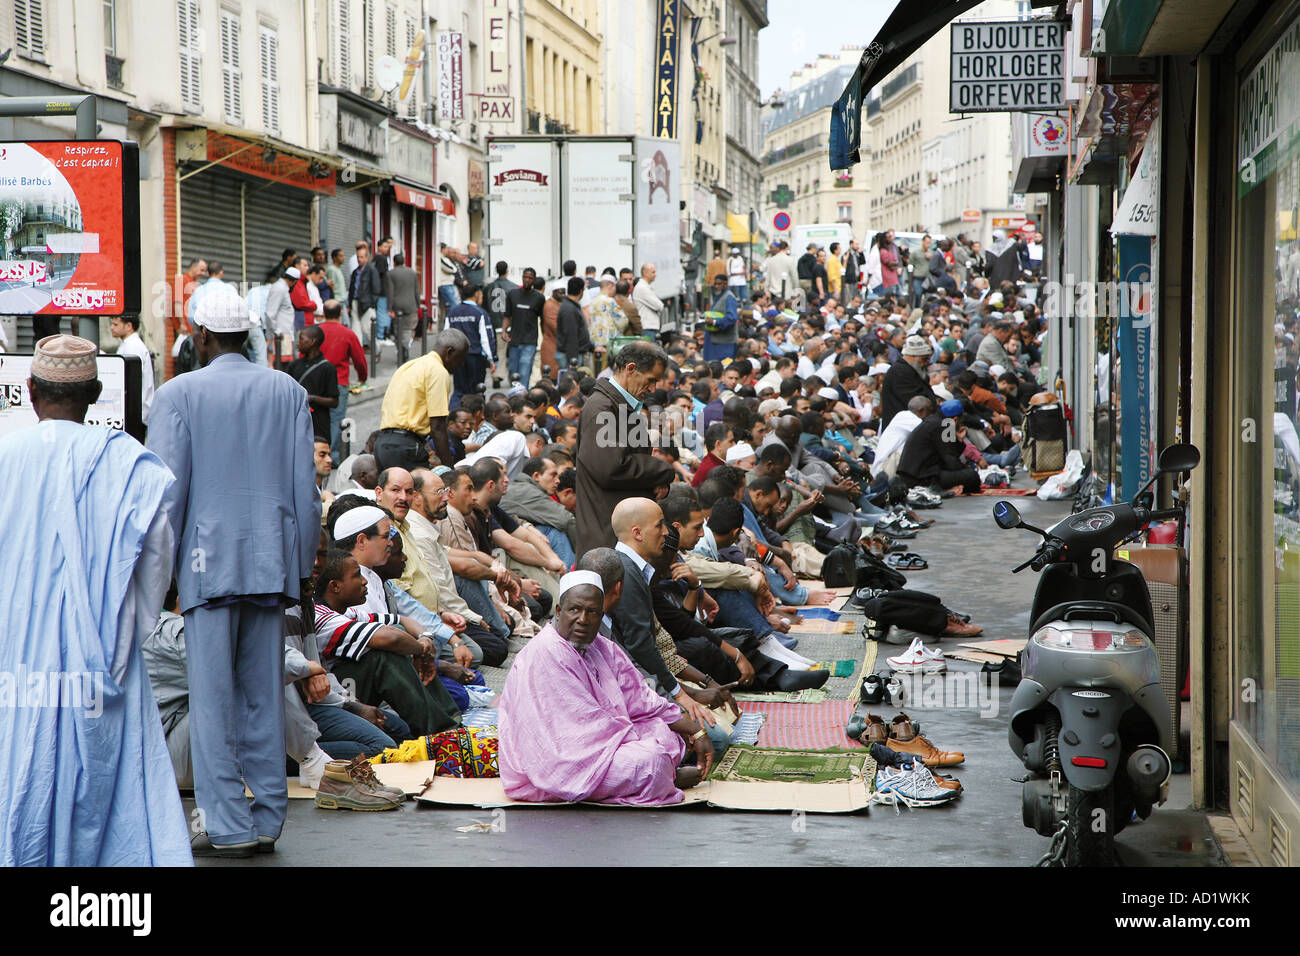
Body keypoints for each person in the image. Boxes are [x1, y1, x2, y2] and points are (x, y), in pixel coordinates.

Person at [0, 334, 192, 865]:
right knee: (113, 788)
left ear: (31, 390)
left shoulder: (4, 456)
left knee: (20, 767)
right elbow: (156, 565)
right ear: (94, 393)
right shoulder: (130, 463)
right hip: (106, 653)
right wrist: (125, 630)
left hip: (13, 653)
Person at [147, 286, 321, 858]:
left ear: (198, 335)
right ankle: (269, 815)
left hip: (206, 567)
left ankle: (226, 824)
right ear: (248, 334)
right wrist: (300, 570)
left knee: (213, 697)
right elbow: (306, 495)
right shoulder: (288, 392)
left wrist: (161, 578)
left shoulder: (177, 395)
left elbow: (166, 500)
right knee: (263, 696)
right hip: (272, 564)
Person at [498, 571, 713, 804]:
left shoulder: (602, 646)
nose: (583, 619)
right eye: (574, 609)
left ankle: (659, 774)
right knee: (651, 761)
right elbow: (579, 731)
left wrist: (696, 731)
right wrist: (635, 740)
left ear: (601, 616)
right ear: (559, 612)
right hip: (560, 759)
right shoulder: (545, 653)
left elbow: (640, 698)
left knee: (665, 732)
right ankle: (667, 776)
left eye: (592, 612)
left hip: (609, 739)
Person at [575, 340, 676, 554]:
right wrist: (662, 470)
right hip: (607, 539)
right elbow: (611, 468)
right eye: (650, 380)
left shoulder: (621, 406)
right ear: (631, 369)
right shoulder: (602, 408)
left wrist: (656, 482)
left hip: (623, 536)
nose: (653, 389)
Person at [376, 329, 470, 471]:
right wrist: (449, 470)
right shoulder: (438, 371)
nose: (461, 364)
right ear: (449, 352)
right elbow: (438, 427)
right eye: (461, 358)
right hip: (406, 447)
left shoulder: (409, 366)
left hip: (383, 444)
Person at [318, 299, 368, 464]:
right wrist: (362, 377)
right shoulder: (347, 333)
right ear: (341, 313)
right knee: (336, 420)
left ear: (323, 313)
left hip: (317, 383)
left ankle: (317, 454)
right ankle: (331, 456)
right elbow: (359, 360)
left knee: (317, 418)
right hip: (339, 382)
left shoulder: (316, 331)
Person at [284, 325, 339, 444]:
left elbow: (334, 401)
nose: (298, 343)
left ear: (313, 341)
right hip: (297, 420)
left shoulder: (327, 368)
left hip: (319, 424)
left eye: (301, 339)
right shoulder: (294, 365)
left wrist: (312, 398)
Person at [446, 284, 498, 404]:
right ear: (476, 294)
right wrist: (492, 359)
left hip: (457, 357)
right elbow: (486, 339)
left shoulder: (453, 312)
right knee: (475, 391)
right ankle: (473, 416)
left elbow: (446, 336)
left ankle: (455, 414)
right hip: (475, 357)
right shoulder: (480, 313)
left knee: (459, 390)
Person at [880, 334, 938, 429]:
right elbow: (918, 403)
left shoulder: (910, 370)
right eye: (923, 359)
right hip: (902, 428)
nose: (925, 363)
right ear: (912, 356)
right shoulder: (899, 372)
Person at [109, 313, 155, 428]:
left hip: (135, 412)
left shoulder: (133, 347)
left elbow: (131, 382)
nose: (111, 328)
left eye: (115, 324)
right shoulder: (128, 344)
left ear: (129, 326)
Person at [503, 267, 545, 386]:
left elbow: (543, 320)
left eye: (530, 278)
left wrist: (545, 337)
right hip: (514, 341)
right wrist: (505, 332)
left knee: (524, 374)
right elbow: (507, 315)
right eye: (525, 277)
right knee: (513, 373)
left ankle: (522, 400)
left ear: (534, 280)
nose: (527, 280)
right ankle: (514, 399)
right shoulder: (512, 294)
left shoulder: (539, 298)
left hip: (529, 342)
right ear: (522, 277)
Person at [385, 251, 421, 365]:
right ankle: (406, 347)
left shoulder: (391, 274)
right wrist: (418, 304)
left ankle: (401, 350)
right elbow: (416, 290)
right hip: (411, 305)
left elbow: (390, 292)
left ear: (394, 262)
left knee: (397, 329)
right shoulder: (412, 272)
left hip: (397, 305)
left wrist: (389, 308)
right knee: (407, 329)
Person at [347, 241, 382, 351]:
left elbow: (376, 289)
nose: (359, 259)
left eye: (362, 257)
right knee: (355, 330)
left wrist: (371, 303)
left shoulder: (372, 270)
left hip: (367, 303)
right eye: (358, 257)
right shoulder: (355, 272)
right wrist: (350, 303)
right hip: (355, 302)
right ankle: (357, 353)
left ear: (367, 257)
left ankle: (376, 350)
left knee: (367, 330)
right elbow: (352, 288)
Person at [555, 275, 593, 373]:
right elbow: (571, 336)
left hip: (574, 353)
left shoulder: (571, 306)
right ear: (581, 291)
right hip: (571, 355)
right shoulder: (569, 309)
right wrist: (573, 362)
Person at [704, 272, 739, 362]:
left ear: (725, 284)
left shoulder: (729, 297)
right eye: (715, 284)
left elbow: (731, 318)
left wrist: (715, 322)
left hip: (724, 343)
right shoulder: (719, 296)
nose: (716, 286)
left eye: (719, 284)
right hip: (714, 340)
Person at [632, 263, 666, 339]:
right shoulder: (642, 288)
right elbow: (659, 306)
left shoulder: (645, 287)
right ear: (645, 273)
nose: (655, 275)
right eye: (653, 272)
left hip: (650, 327)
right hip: (647, 328)